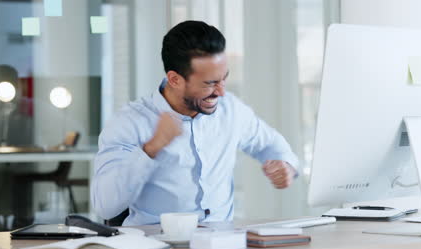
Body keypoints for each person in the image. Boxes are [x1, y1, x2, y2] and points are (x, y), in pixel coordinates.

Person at [92, 20, 298, 225]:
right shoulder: (130, 122)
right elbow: (105, 205)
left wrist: (285, 166)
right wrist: (151, 148)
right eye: (210, 83)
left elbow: (271, 144)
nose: (221, 92)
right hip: (157, 246)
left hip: (222, 244)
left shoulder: (231, 109)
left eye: (223, 78)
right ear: (174, 79)